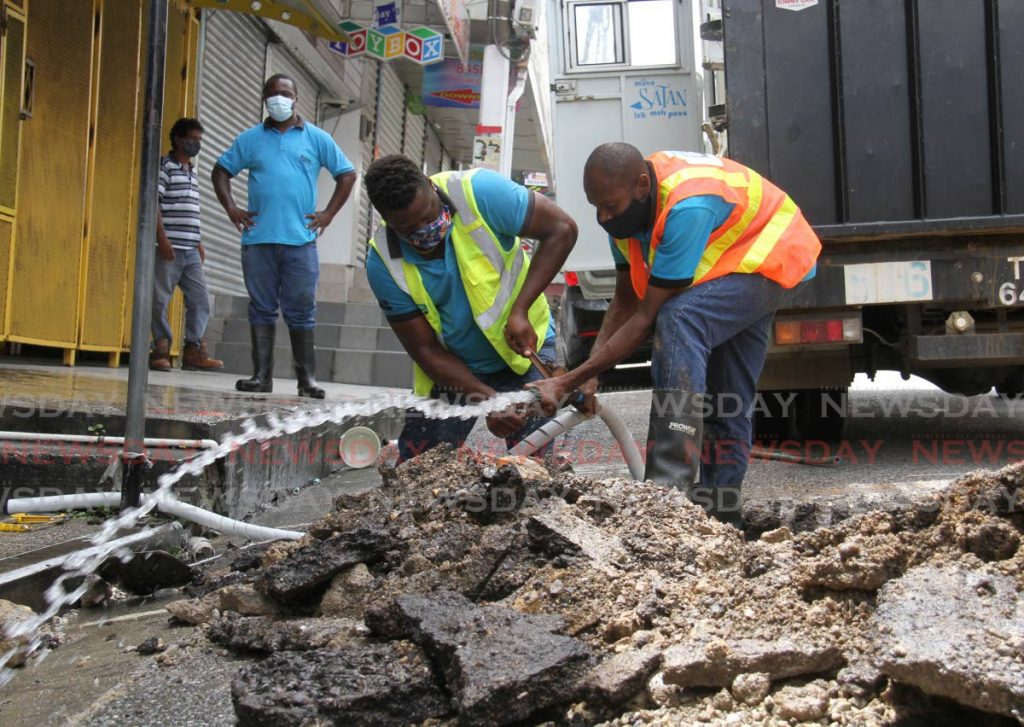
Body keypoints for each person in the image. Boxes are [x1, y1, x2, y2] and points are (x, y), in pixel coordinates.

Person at [529, 144, 821, 527]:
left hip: (776, 253)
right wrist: (590, 372)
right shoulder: (624, 217)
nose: (603, 217)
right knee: (728, 396)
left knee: (680, 317)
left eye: (610, 207)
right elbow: (625, 299)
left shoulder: (687, 206)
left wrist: (568, 380)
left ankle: (667, 493)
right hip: (735, 261)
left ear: (641, 185)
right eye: (595, 206)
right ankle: (721, 517)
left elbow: (647, 315)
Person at [362, 154, 578, 462]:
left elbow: (562, 228)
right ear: (388, 222)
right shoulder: (382, 264)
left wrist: (520, 309)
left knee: (531, 471)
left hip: (523, 354)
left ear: (429, 185)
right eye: (409, 230)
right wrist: (489, 401)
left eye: (428, 215)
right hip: (455, 370)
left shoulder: (480, 192)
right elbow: (426, 351)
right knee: (417, 476)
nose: (425, 231)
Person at [212, 73, 357, 398]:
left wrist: (329, 213)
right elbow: (221, 170)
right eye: (273, 94)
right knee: (261, 308)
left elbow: (347, 174)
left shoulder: (316, 138)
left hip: (300, 242)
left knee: (302, 310)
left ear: (295, 99)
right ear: (265, 99)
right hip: (258, 241)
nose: (279, 98)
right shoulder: (250, 139)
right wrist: (231, 208)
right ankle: (261, 376)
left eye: (285, 93)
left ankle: (307, 381)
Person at [150, 117, 223, 373]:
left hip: (191, 250)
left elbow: (190, 211)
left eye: (200, 140)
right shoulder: (165, 167)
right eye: (193, 139)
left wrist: (199, 241)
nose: (197, 144)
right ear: (179, 139)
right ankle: (160, 349)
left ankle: (193, 349)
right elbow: (154, 204)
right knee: (160, 299)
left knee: (200, 299)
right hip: (169, 249)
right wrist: (162, 238)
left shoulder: (192, 172)